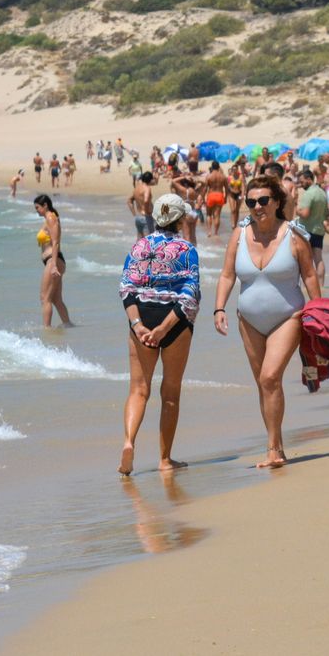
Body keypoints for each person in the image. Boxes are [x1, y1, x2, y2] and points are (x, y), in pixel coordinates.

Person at [213, 176, 321, 469]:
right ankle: (277, 444)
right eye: (251, 202)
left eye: (263, 201)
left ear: (277, 202)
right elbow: (226, 275)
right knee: (263, 385)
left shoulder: (294, 235)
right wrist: (219, 308)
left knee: (269, 378)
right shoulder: (239, 234)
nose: (257, 207)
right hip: (248, 320)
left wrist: (317, 312)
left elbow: (310, 275)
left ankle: (273, 450)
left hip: (289, 316)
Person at [117, 194, 200, 476]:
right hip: (174, 321)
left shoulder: (139, 246)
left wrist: (138, 325)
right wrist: (164, 328)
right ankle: (165, 459)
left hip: (140, 317)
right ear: (178, 219)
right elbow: (190, 296)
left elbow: (126, 289)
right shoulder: (187, 249)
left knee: (139, 390)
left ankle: (129, 442)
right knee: (170, 393)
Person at [34, 194, 73, 328]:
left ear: (45, 205)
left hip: (53, 261)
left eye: (38, 208)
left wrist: (54, 265)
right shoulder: (48, 219)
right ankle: (68, 325)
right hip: (53, 261)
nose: (36, 210)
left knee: (45, 298)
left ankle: (47, 330)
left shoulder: (51, 218)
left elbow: (56, 242)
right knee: (56, 299)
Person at [295, 168, 329, 285]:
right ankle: (321, 285)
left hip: (307, 231)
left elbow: (305, 214)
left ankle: (307, 285)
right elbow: (326, 213)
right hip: (319, 230)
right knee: (318, 259)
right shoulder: (322, 193)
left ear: (309, 179)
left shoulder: (309, 194)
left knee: (305, 260)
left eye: (302, 181)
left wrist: (297, 210)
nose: (301, 184)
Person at [202, 161, 229, 238]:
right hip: (220, 195)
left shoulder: (209, 176)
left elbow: (205, 188)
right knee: (217, 215)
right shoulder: (223, 176)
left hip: (211, 195)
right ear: (218, 167)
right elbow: (227, 189)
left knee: (209, 214)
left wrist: (203, 198)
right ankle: (216, 232)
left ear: (212, 167)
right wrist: (225, 197)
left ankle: (209, 231)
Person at [128, 172, 156, 240]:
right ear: (150, 180)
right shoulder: (147, 188)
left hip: (138, 217)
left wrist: (134, 214)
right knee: (149, 241)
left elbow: (129, 201)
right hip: (145, 217)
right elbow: (146, 201)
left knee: (139, 241)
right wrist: (147, 212)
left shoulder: (137, 188)